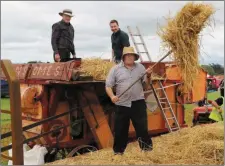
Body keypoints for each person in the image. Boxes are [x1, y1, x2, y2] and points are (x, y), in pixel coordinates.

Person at [105, 46, 153, 155]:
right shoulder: (115, 69)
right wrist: (112, 96)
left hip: (138, 103)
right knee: (120, 130)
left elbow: (146, 87)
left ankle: (147, 150)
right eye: (127, 55)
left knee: (142, 128)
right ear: (123, 57)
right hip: (122, 104)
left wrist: (149, 76)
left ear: (135, 57)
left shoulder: (141, 68)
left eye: (132, 55)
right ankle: (118, 152)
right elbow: (108, 86)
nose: (130, 57)